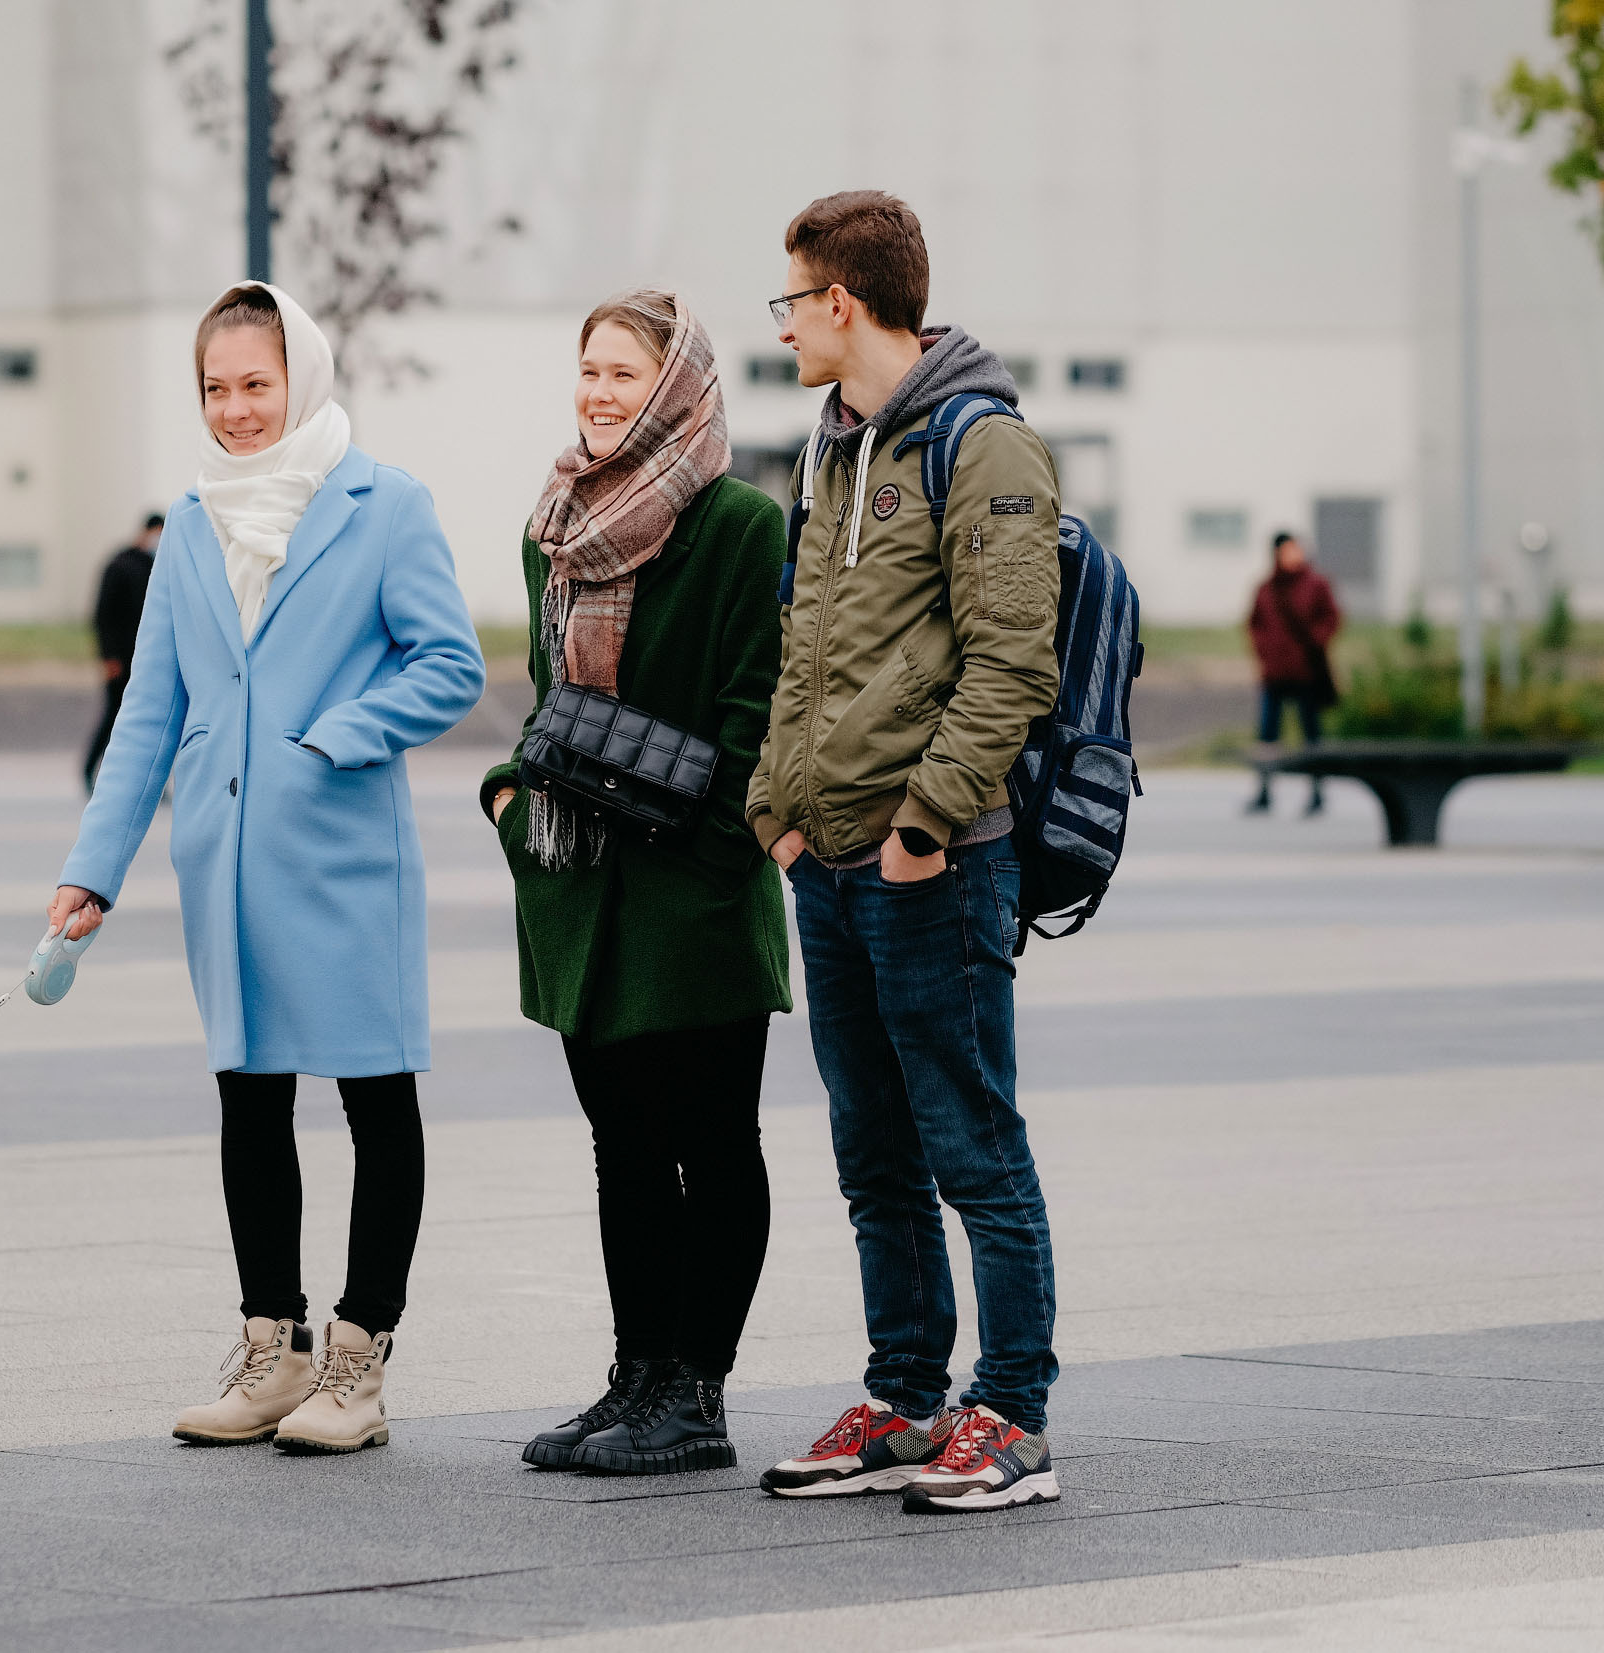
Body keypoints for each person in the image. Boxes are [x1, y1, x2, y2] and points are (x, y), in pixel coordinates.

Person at [46, 281, 484, 1456]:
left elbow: (450, 666)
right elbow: (150, 710)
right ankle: (272, 1352)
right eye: (215, 388)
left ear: (302, 377)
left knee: (374, 1096)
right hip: (222, 860)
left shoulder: (385, 507)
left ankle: (359, 1361)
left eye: (256, 383)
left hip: (342, 852)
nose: (236, 409)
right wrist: (94, 867)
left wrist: (334, 735)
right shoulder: (191, 522)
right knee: (250, 1096)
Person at [746, 191, 1064, 1514]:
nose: (782, 327)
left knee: (970, 1140)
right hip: (825, 860)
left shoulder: (983, 448)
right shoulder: (833, 449)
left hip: (935, 861)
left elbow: (1011, 664)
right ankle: (906, 1395)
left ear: (843, 302)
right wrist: (776, 807)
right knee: (872, 1147)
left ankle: (1013, 1414)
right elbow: (803, 651)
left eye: (790, 301)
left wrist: (927, 825)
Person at [480, 291, 790, 1477]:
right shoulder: (551, 528)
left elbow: (755, 713)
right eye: (589, 371)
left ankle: (696, 1394)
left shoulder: (739, 525)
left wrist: (709, 853)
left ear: (674, 388)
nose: (600, 394)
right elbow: (546, 700)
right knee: (620, 1147)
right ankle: (637, 1377)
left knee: (710, 1144)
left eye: (623, 374)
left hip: (693, 890)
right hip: (580, 890)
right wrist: (511, 799)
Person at [1245, 531, 1341, 816]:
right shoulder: (1266, 588)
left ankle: (1317, 792)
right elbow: (1254, 623)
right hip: (1274, 675)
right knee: (1267, 736)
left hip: (1305, 674)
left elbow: (1331, 617)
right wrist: (1265, 652)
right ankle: (1264, 791)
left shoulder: (1316, 584)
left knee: (1311, 735)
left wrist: (1316, 641)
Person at [84, 512, 165, 791]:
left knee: (150, 723)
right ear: (149, 531)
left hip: (146, 660)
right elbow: (102, 615)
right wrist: (108, 657)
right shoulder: (119, 564)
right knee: (114, 719)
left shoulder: (157, 566)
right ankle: (89, 770)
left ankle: (151, 784)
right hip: (120, 659)